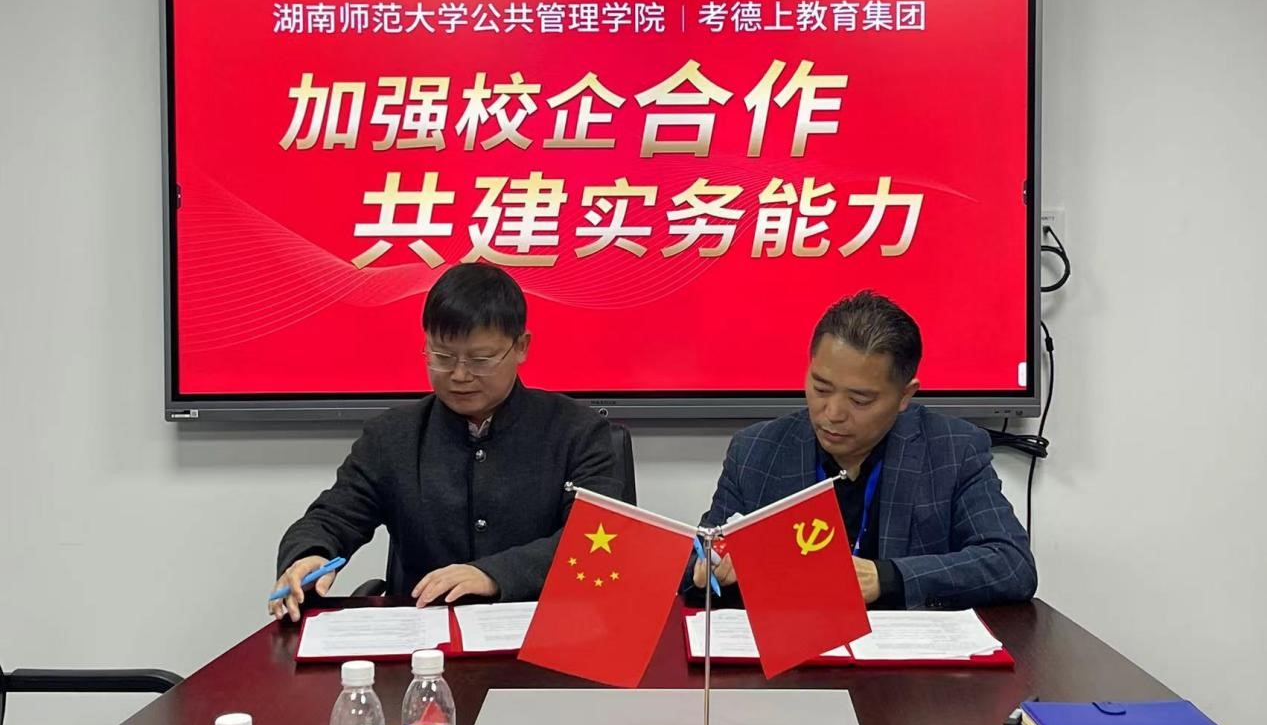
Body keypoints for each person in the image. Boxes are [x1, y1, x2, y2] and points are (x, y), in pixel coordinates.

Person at [269, 263, 619, 622]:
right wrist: (308, 555)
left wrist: (495, 574)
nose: (460, 375)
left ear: (521, 347)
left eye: (480, 359)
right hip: (422, 635)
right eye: (442, 357)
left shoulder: (577, 431)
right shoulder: (392, 436)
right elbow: (333, 517)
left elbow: (600, 539)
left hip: (546, 629)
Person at [691, 290, 1037, 609]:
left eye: (859, 400)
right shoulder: (757, 451)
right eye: (821, 388)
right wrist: (709, 568)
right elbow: (697, 557)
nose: (833, 413)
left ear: (904, 395)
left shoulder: (952, 450)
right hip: (792, 647)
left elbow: (1011, 564)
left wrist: (887, 578)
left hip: (903, 650)